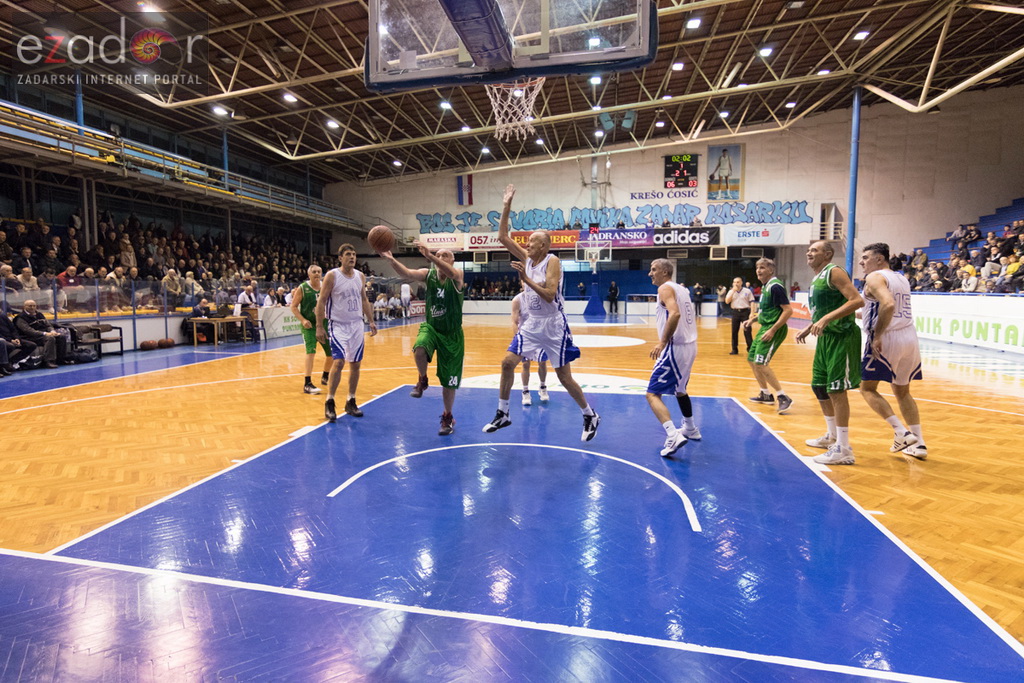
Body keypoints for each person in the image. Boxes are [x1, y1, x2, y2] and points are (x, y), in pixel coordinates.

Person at [483, 184, 599, 442]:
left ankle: (590, 414)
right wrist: (506, 206)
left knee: (564, 377)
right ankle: (502, 412)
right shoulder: (527, 257)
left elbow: (548, 294)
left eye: (533, 240)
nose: (527, 243)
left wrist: (526, 278)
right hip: (533, 323)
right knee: (506, 363)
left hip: (553, 324)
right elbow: (503, 237)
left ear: (545, 246)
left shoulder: (552, 260)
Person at [377, 242, 465, 436]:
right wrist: (392, 260)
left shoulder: (457, 275)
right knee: (419, 348)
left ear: (452, 260)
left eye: (445, 256)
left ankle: (447, 416)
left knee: (448, 383)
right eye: (439, 255)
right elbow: (407, 274)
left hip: (452, 335)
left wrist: (430, 256)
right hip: (432, 327)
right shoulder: (428, 274)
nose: (441, 258)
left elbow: (450, 273)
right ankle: (422, 379)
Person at [795, 241, 864, 466]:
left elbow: (857, 300)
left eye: (814, 250)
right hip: (825, 338)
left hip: (841, 336)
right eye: (809, 250)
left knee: (836, 390)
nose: (809, 253)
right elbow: (824, 309)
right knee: (820, 387)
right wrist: (811, 324)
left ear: (828, 254)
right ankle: (832, 436)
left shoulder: (834, 272)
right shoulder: (818, 276)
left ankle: (844, 448)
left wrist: (826, 319)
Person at [858, 243, 927, 460]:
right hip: (908, 336)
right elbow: (879, 309)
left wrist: (877, 335)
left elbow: (887, 305)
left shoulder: (874, 277)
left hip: (887, 338)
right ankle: (919, 443)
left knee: (866, 388)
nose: (862, 261)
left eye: (866, 257)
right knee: (902, 391)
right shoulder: (900, 277)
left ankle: (901, 432)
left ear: (880, 259)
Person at [315, 244, 377, 422]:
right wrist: (320, 326)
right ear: (340, 258)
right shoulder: (332, 275)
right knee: (339, 361)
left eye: (354, 254)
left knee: (356, 364)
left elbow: (363, 299)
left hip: (357, 324)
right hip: (338, 325)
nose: (352, 257)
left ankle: (351, 400)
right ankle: (330, 401)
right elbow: (321, 302)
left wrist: (371, 320)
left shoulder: (360, 276)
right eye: (348, 254)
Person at [646, 259, 701, 457]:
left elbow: (675, 314)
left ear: (665, 272)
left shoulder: (665, 289)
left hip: (674, 347)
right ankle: (690, 428)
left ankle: (672, 435)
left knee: (652, 394)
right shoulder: (682, 289)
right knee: (680, 389)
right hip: (690, 346)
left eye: (654, 270)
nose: (650, 273)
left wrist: (662, 342)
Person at [744, 258, 794, 413]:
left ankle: (783, 396)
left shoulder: (776, 287)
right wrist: (754, 319)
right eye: (757, 267)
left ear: (771, 270)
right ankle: (765, 394)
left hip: (774, 329)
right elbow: (769, 310)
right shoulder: (766, 286)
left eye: (763, 267)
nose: (759, 270)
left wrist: (772, 330)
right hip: (765, 327)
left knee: (760, 362)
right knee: (752, 360)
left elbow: (788, 310)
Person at [289, 264, 334, 394]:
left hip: (324, 325)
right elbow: (293, 306)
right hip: (310, 326)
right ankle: (307, 383)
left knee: (331, 354)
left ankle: (325, 375)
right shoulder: (303, 288)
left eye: (319, 272)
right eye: (314, 272)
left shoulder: (326, 287)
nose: (317, 274)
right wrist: (303, 320)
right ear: (309, 274)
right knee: (310, 352)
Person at [511, 289, 549, 406]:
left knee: (542, 362)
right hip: (525, 335)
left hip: (540, 334)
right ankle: (525, 391)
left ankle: (543, 386)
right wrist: (518, 337)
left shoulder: (541, 297)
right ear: (521, 283)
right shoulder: (517, 300)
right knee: (525, 364)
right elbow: (514, 321)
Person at [13, 299, 68, 368]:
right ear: (24, 307)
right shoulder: (20, 318)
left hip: (43, 334)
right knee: (50, 338)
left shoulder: (39, 314)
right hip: (29, 337)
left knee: (61, 337)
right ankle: (48, 361)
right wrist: (45, 333)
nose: (32, 307)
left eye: (34, 306)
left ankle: (61, 359)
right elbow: (28, 331)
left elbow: (48, 325)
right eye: (30, 306)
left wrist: (52, 331)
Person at [725, 277, 754, 355]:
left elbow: (752, 302)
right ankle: (734, 349)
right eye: (734, 282)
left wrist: (752, 313)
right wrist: (733, 291)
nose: (736, 284)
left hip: (745, 312)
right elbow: (727, 301)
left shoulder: (747, 291)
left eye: (738, 282)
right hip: (735, 312)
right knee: (734, 331)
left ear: (741, 283)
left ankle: (750, 349)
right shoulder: (731, 291)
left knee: (747, 331)